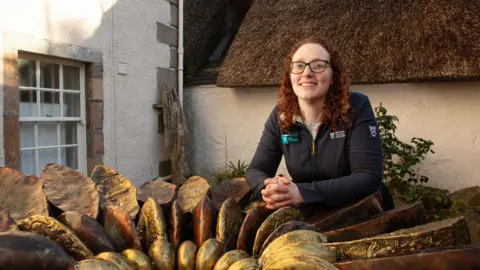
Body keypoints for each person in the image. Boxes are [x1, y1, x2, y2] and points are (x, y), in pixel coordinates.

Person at [245, 37, 394, 212]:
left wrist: (301, 193)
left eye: (318, 65)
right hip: (313, 213)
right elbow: (255, 170)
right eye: (299, 65)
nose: (307, 73)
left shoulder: (356, 108)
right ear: (290, 76)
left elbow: (367, 177)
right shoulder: (280, 116)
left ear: (333, 76)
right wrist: (268, 188)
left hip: (364, 211)